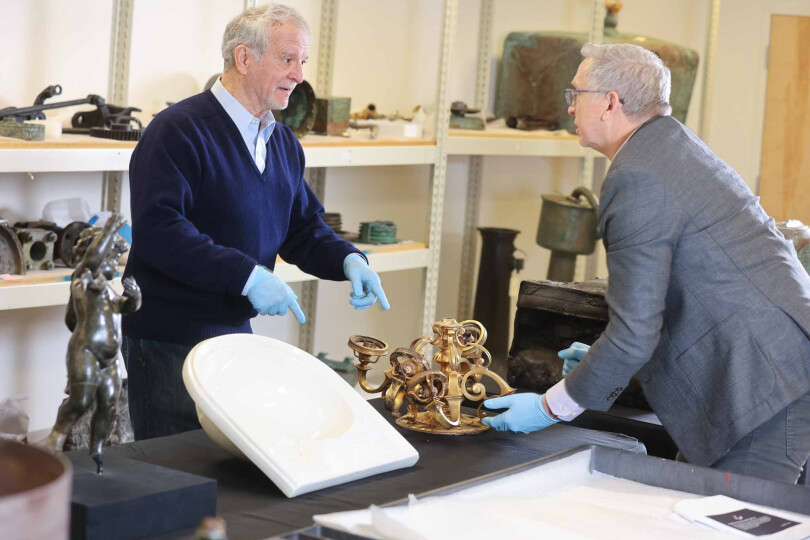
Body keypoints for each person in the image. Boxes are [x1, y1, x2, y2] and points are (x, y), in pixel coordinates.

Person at [483, 43, 810, 484]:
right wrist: (605, 364)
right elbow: (673, 298)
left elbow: (635, 332)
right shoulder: (670, 146)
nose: (571, 106)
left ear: (610, 103)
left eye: (576, 94)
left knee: (730, 522)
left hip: (761, 384)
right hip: (772, 366)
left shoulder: (637, 177)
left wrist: (549, 407)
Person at [123, 4, 389, 441]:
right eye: (288, 59)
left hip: (234, 337)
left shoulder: (282, 142)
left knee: (226, 474)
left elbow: (303, 229)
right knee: (174, 474)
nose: (299, 74)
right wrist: (247, 277)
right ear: (244, 59)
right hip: (169, 337)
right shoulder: (177, 130)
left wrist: (349, 260)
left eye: (303, 61)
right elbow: (159, 231)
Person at [46, 215, 141, 473]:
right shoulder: (83, 280)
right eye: (109, 257)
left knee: (109, 404)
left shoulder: (108, 291)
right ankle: (55, 436)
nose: (112, 263)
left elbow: (127, 307)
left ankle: (97, 450)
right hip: (85, 351)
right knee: (80, 400)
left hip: (109, 359)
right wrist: (109, 229)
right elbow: (92, 262)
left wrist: (134, 297)